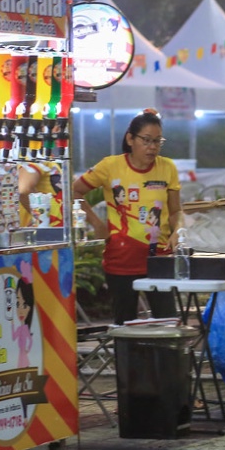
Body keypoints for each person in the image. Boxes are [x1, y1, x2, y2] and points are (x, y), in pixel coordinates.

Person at [73, 109, 183, 324]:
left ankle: (165, 359)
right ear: (130, 139)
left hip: (159, 259)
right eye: (146, 140)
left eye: (157, 141)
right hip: (121, 259)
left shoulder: (167, 167)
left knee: (168, 323)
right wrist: (96, 223)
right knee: (126, 325)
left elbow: (176, 210)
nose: (152, 147)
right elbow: (74, 191)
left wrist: (178, 232)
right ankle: (131, 359)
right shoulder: (110, 166)